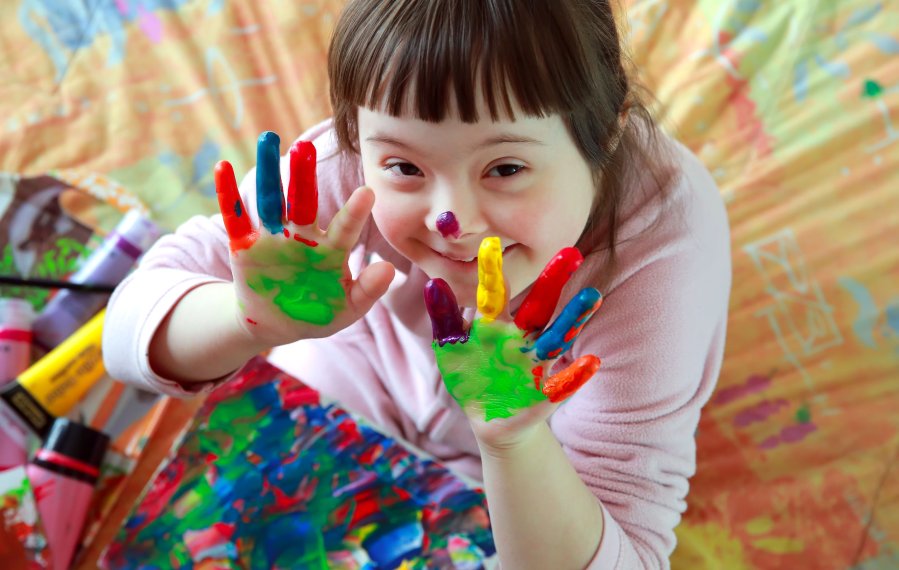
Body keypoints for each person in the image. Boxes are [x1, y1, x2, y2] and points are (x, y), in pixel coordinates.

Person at [104, 0, 731, 568]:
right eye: (405, 165)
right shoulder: (342, 172)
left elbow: (631, 553)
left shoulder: (663, 256)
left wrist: (513, 439)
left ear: (610, 127)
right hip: (347, 380)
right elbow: (126, 333)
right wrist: (247, 319)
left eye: (505, 167)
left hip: (532, 475)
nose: (450, 221)